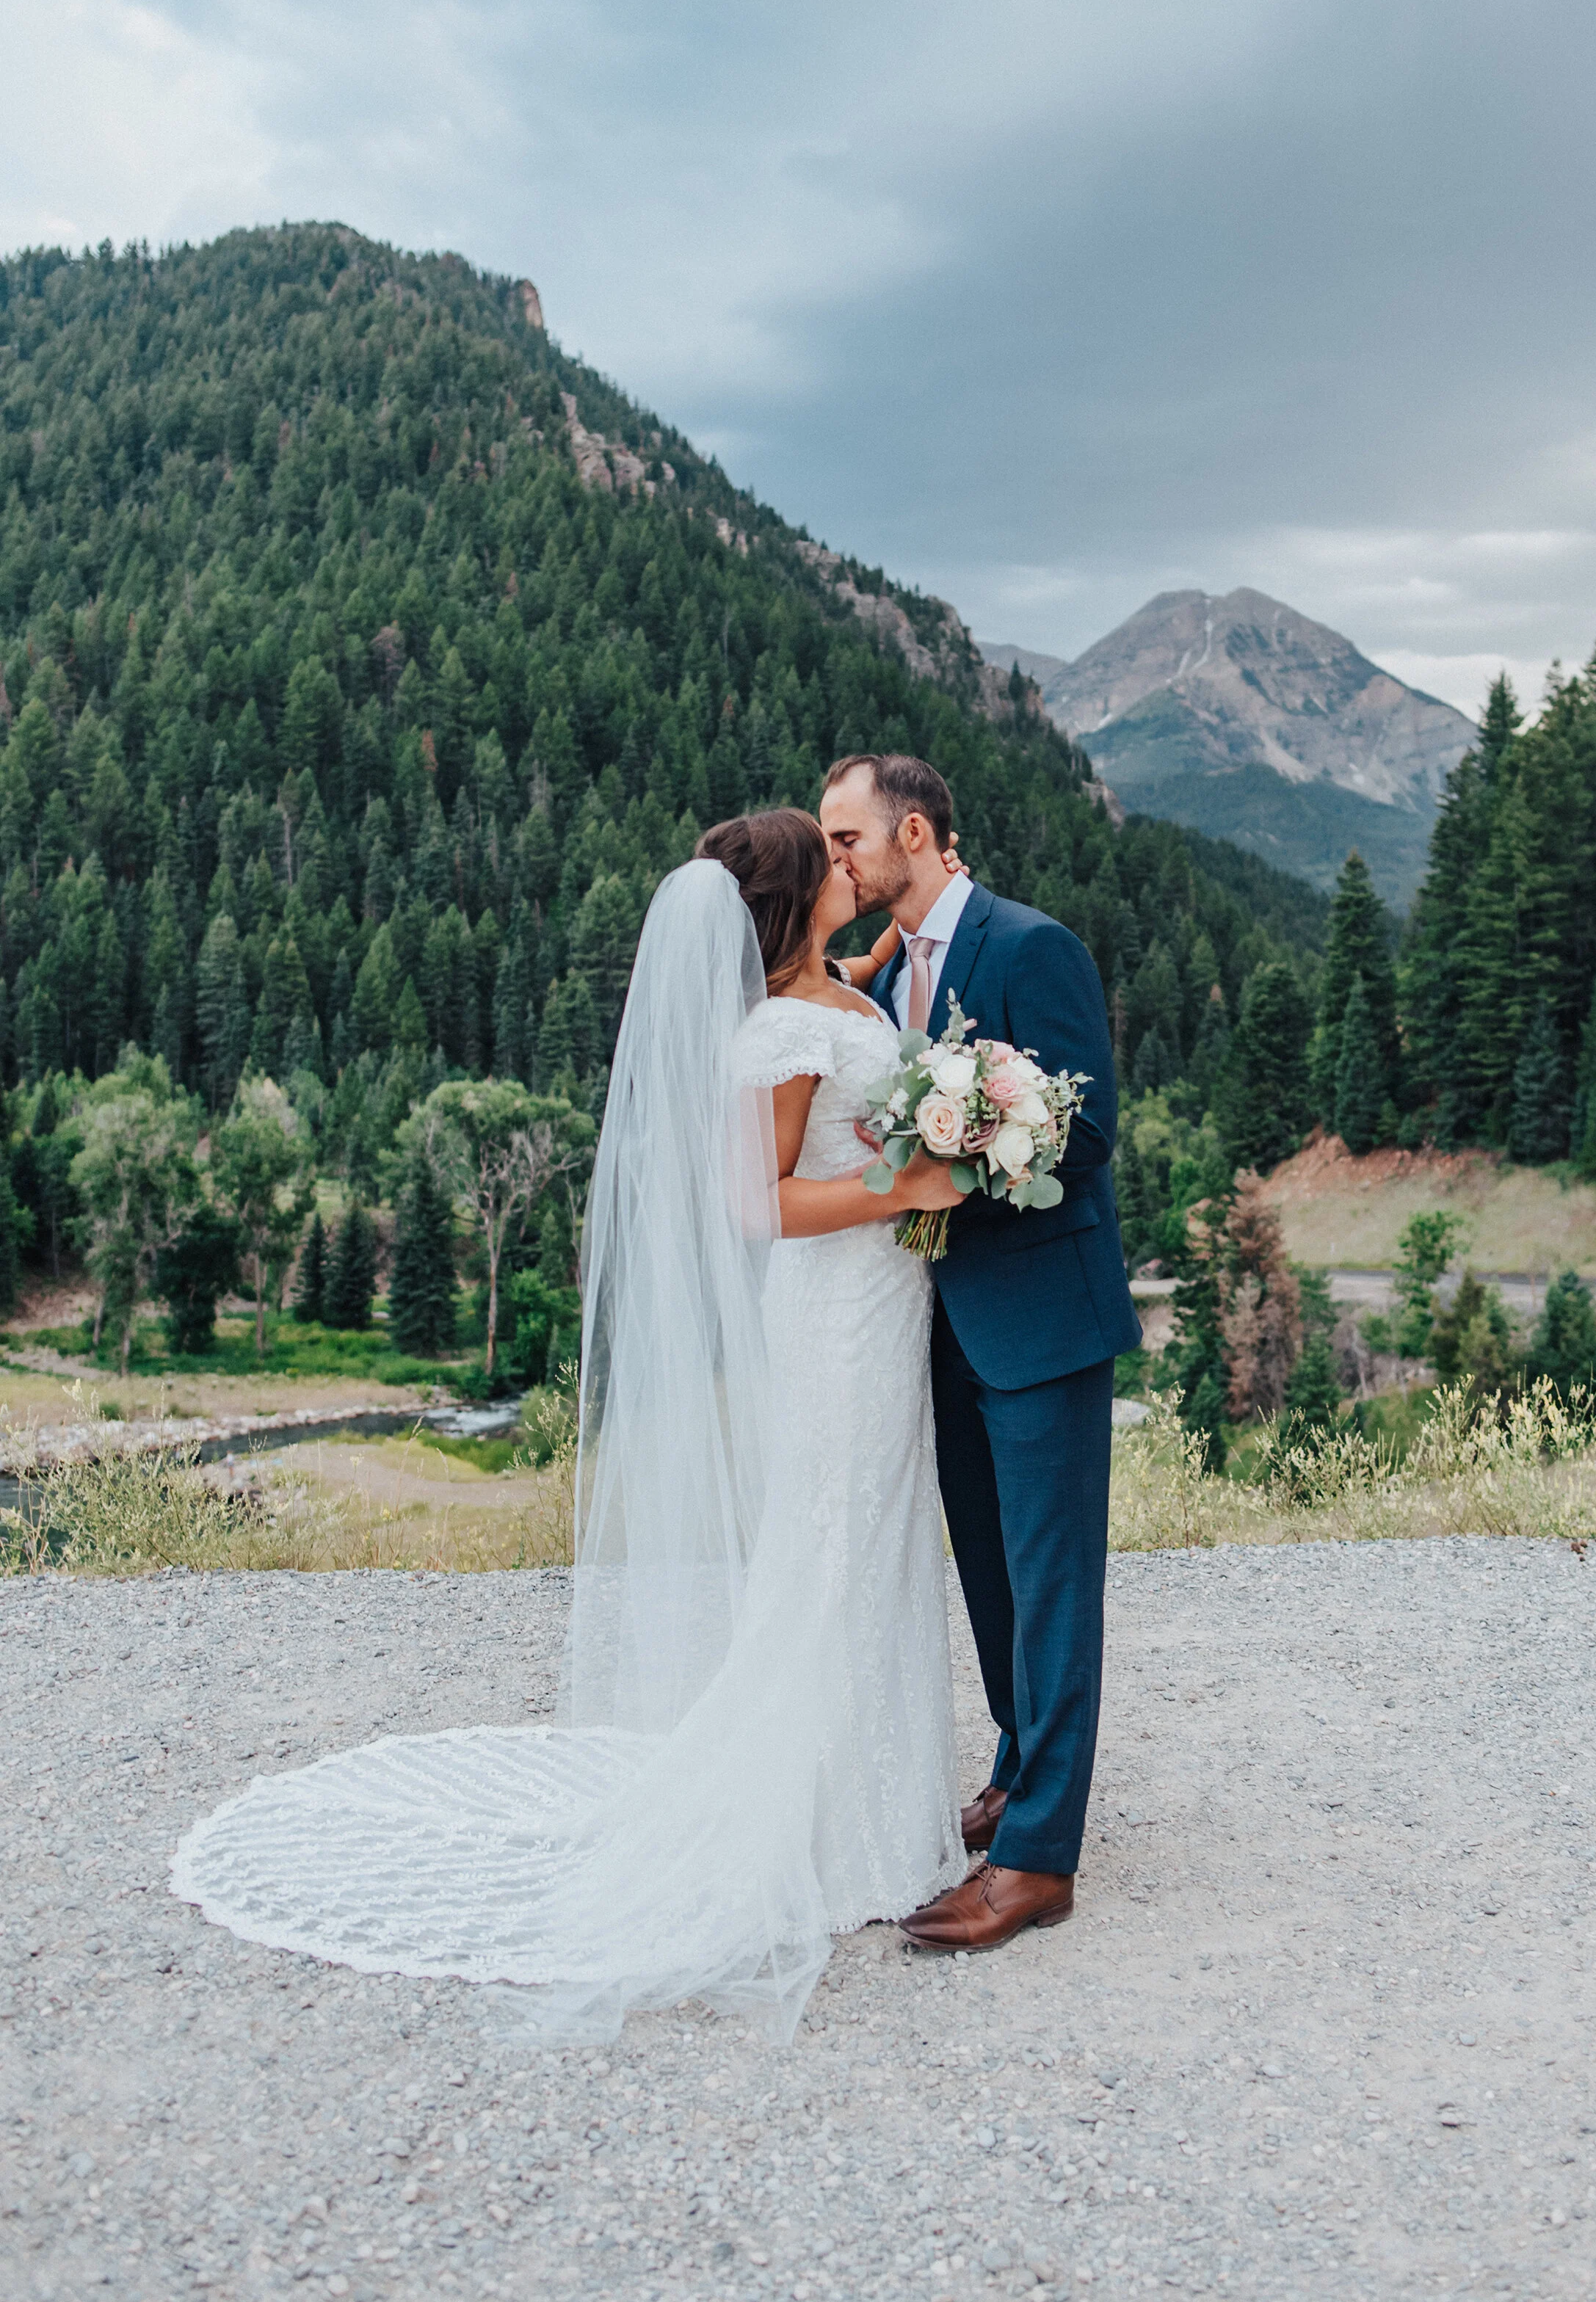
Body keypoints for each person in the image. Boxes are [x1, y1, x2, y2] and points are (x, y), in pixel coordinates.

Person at [170, 810, 965, 2043]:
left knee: (880, 1541)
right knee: (834, 1547)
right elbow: (753, 1206)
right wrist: (902, 1183)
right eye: (832, 853)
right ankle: (829, 1835)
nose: (849, 862)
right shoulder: (780, 1032)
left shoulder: (836, 990)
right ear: (803, 892)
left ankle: (875, 1808)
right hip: (835, 1320)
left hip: (883, 1303)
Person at [820, 752, 1142, 1951]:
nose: (836, 859)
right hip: (941, 1324)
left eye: (847, 837)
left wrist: (957, 1156)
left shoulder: (1030, 944)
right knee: (992, 1573)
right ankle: (1018, 1767)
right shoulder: (890, 966)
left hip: (1042, 1319)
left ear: (915, 831)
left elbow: (1088, 1122)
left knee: (1055, 1585)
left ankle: (1038, 1858)